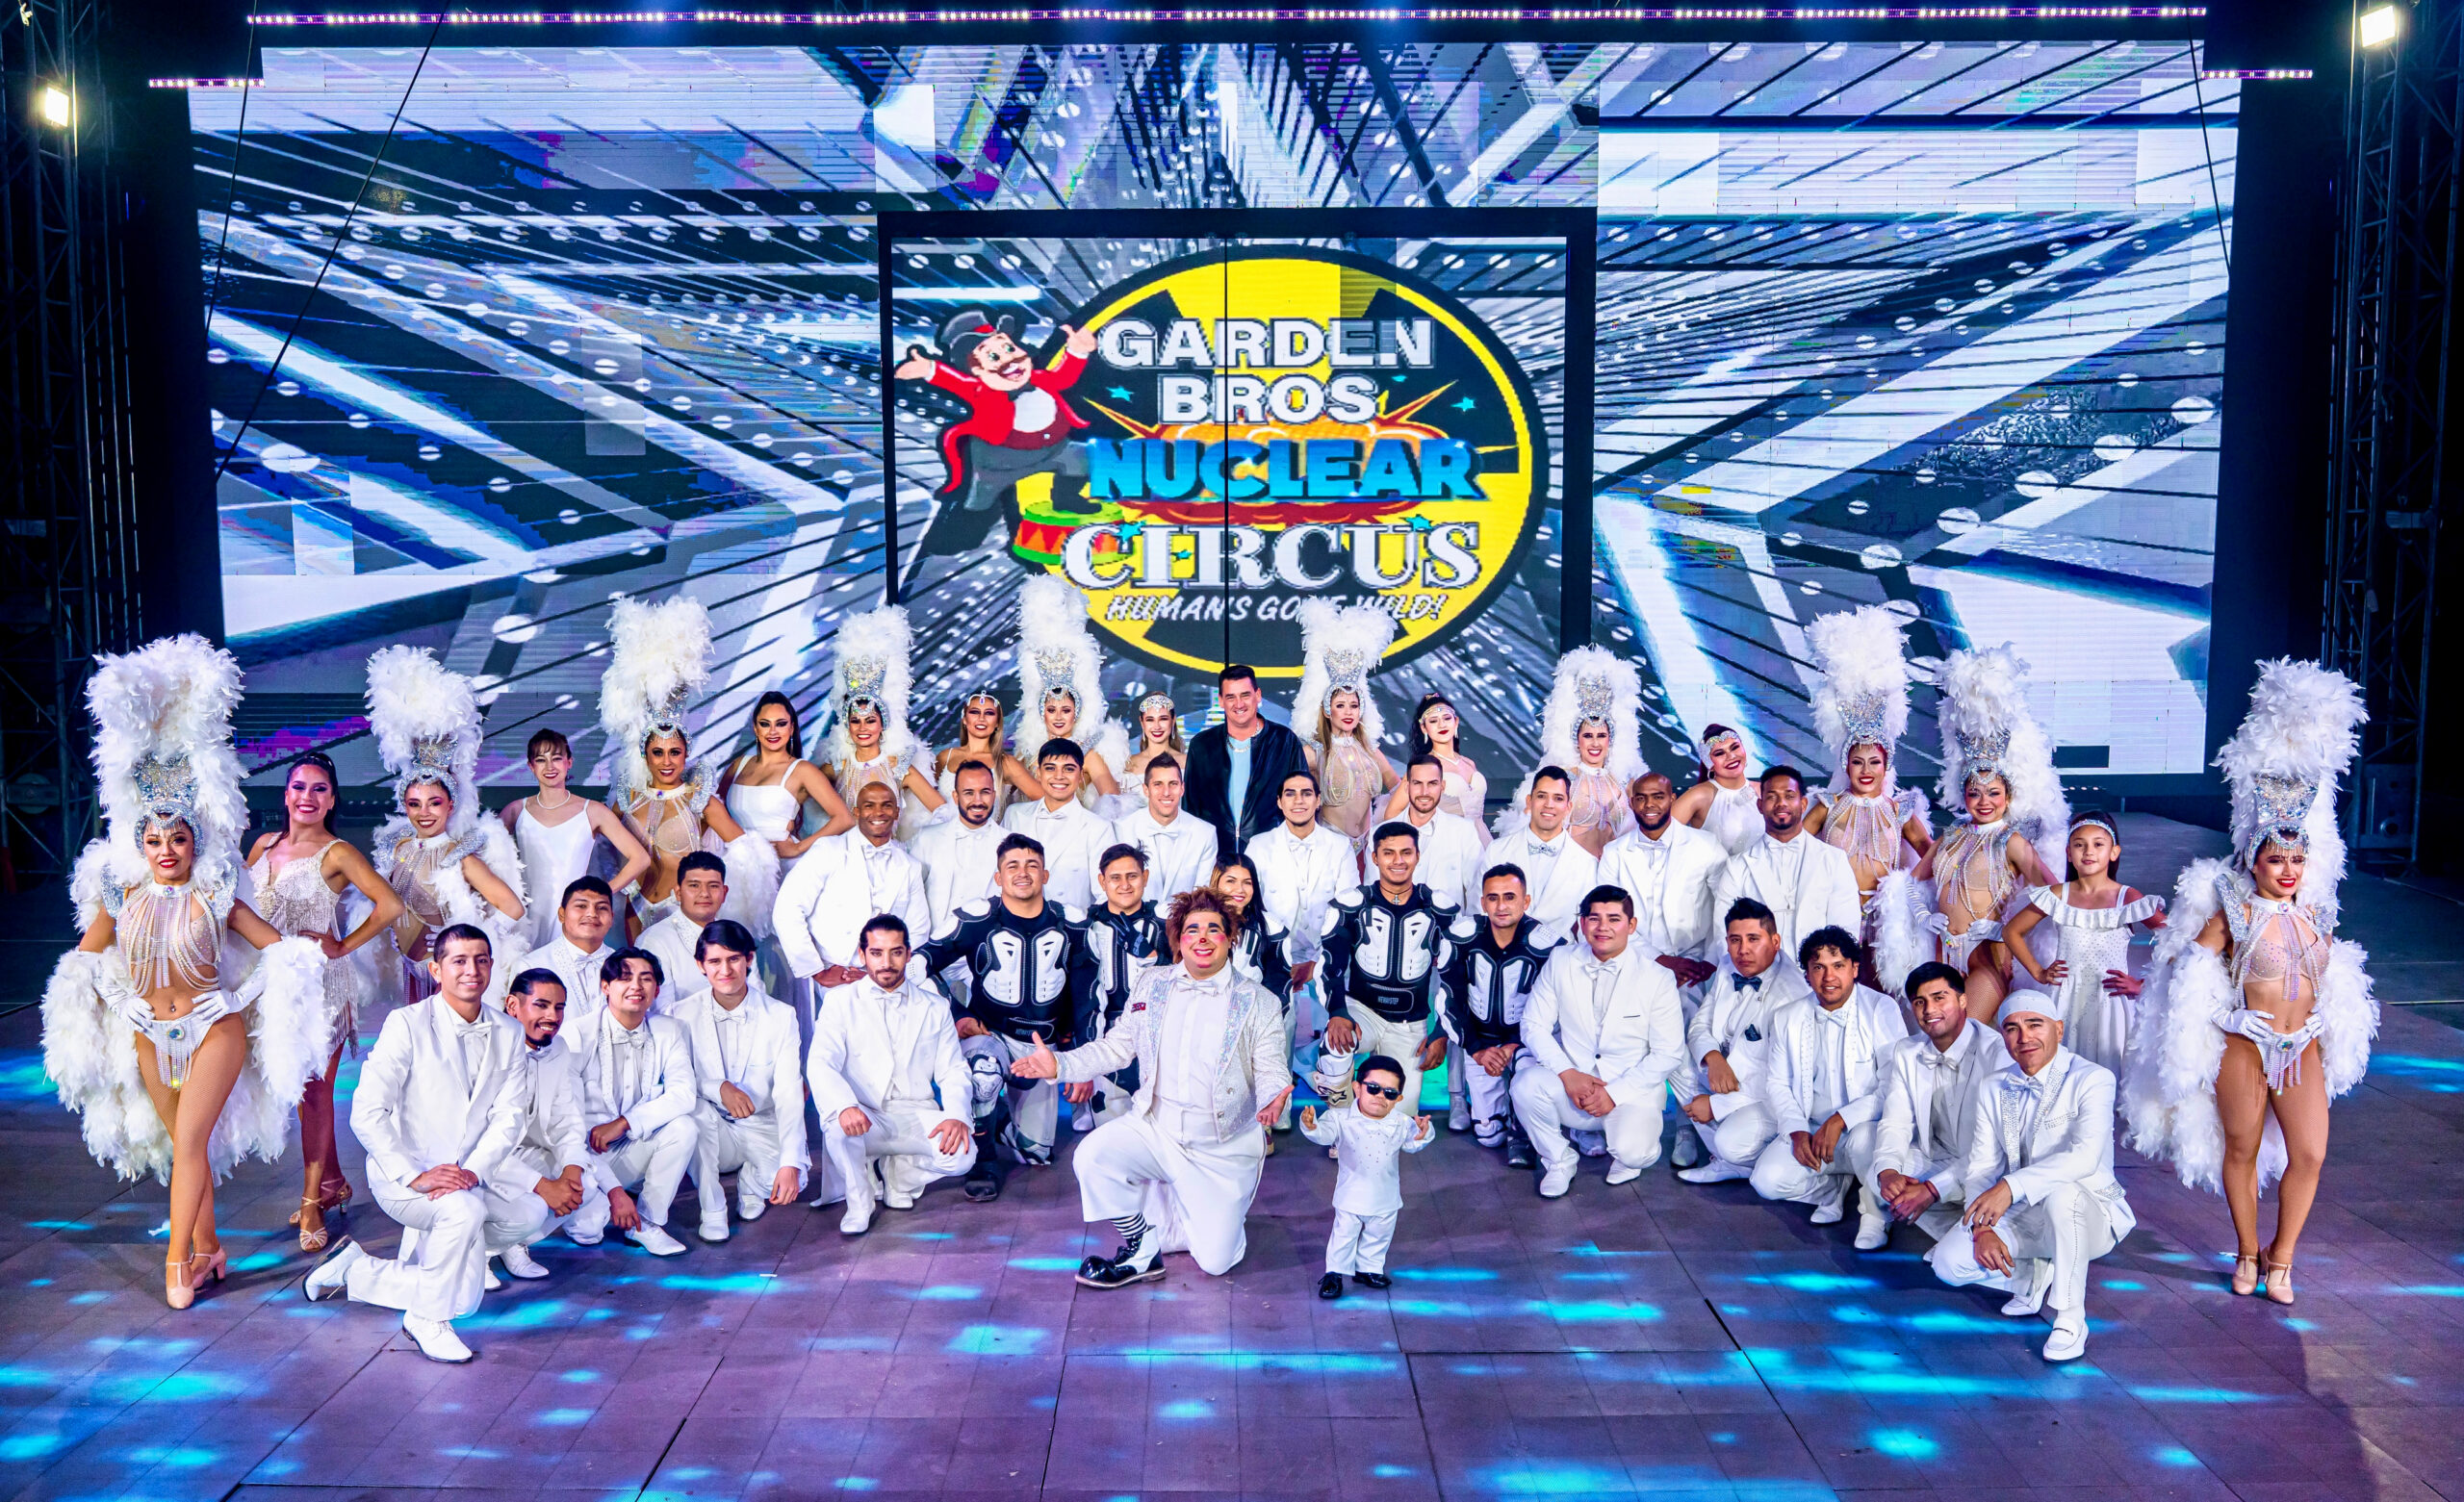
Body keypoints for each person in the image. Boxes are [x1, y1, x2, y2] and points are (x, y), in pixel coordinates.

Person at [44, 635, 332, 1310]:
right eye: (154, 840)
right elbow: (84, 961)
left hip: (211, 1028)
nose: (166, 850)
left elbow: (282, 952)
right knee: (183, 1146)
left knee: (194, 1138)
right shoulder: (120, 896)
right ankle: (209, 1248)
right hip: (150, 1031)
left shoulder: (216, 894)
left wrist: (233, 997)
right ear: (140, 845)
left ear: (194, 841)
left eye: (177, 838)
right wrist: (123, 1000)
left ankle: (177, 1261)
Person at [2124, 660, 2374, 1308]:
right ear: (2253, 859)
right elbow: (2184, 974)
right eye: (2275, 858)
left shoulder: (2317, 914)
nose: (2287, 869)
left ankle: (2281, 1257)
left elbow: (2331, 979)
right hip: (2246, 1045)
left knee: (2310, 1153)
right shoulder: (2231, 910)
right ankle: (2244, 1248)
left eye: (2296, 858)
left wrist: (2321, 1021)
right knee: (2240, 1145)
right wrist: (2229, 1018)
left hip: (2301, 1046)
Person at [1007, 889, 1293, 1285]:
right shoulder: (1152, 983)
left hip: (1220, 1146)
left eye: (1214, 929)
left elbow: (1272, 1066)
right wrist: (1061, 1064)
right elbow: (1117, 1046)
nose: (1203, 938)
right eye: (1192, 930)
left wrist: (1273, 1096)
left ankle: (1207, 1210)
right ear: (1179, 940)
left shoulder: (1259, 1000)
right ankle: (1141, 1247)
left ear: (1230, 938)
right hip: (1156, 1129)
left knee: (1215, 1261)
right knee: (1091, 1156)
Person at [305, 925, 540, 1364]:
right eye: (459, 961)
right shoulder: (406, 1024)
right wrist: (414, 1174)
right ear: (436, 970)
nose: (472, 970)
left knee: (522, 1223)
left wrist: (474, 1171)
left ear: (491, 966)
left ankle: (355, 1269)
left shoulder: (508, 1031)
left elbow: (510, 1117)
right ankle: (426, 1318)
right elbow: (367, 1112)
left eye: (481, 960)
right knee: (463, 1217)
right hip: (406, 1178)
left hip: (467, 1176)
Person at [245, 750, 403, 1253]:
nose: (307, 797)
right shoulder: (264, 845)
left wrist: (341, 946)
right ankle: (333, 1181)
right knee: (300, 1094)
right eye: (299, 787)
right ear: (285, 794)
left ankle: (312, 1199)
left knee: (316, 1093)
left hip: (320, 990)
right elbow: (239, 906)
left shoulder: (336, 853)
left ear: (332, 799)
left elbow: (390, 905)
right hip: (271, 986)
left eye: (319, 789)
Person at [1930, 990, 2136, 1362]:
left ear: (2058, 1029)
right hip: (2024, 1212)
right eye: (2012, 1028)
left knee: (2063, 1196)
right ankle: (2033, 1278)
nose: (2024, 1037)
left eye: (2035, 1025)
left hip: (2089, 1212)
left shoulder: (2093, 1078)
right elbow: (1981, 1167)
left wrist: (2011, 1186)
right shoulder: (1994, 1086)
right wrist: (1983, 1229)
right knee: (1948, 1263)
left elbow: (2085, 1157)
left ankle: (2070, 1318)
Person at [1881, 645, 2066, 1020]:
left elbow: (2053, 892)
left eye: (1993, 793)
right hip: (1942, 953)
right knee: (1943, 1034)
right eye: (1975, 792)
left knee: (1969, 1029)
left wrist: (2006, 928)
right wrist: (1923, 915)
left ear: (2007, 796)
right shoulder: (1952, 836)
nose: (1984, 801)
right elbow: (1913, 882)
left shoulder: (2012, 840)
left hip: (1988, 955)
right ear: (1963, 794)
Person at [916, 834, 1098, 1198]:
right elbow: (919, 963)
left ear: (1045, 875)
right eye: (1012, 866)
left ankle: (991, 1119)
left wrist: (1083, 1062)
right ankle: (983, 1161)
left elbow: (1086, 997)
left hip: (1042, 1046)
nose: (1022, 873)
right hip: (991, 1036)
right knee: (983, 1074)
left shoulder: (1072, 923)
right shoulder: (976, 919)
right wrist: (958, 1013)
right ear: (998, 877)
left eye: (1032, 865)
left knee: (1035, 1153)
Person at [598, 596, 779, 941]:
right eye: (658, 752)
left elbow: (745, 854)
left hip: (682, 913)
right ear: (646, 755)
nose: (666, 761)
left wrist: (729, 906)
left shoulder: (699, 801)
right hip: (636, 910)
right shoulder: (629, 798)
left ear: (686, 754)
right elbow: (600, 850)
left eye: (675, 752)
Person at [366, 647, 529, 999]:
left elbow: (513, 908)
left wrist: (469, 944)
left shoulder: (460, 854)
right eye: (415, 804)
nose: (424, 812)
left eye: (434, 803)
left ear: (450, 804)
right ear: (404, 805)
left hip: (448, 979)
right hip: (406, 974)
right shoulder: (393, 848)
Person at [808, 915, 979, 1235]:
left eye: (896, 952)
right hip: (865, 1114)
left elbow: (953, 1069)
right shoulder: (839, 1002)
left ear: (909, 954)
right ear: (862, 955)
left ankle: (899, 1177)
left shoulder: (935, 1006)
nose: (886, 963)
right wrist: (844, 1106)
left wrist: (957, 1115)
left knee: (962, 1154)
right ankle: (860, 1202)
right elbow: (820, 1062)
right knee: (837, 1129)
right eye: (876, 953)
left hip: (915, 1114)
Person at [1513, 885, 1685, 1197]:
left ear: (1631, 925)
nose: (1602, 927)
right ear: (1582, 923)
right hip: (1574, 1087)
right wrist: (1568, 1073)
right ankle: (1559, 1161)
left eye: (1614, 919)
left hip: (1630, 1091)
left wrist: (1615, 1094)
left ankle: (1627, 1156)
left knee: (1635, 1152)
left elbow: (1669, 1053)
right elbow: (1533, 1025)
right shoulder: (1561, 960)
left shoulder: (1657, 977)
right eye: (1594, 918)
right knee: (1525, 1085)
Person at [1748, 926, 1910, 1249]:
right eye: (1818, 967)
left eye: (1838, 965)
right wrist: (1796, 1130)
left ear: (1855, 968)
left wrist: (1840, 1120)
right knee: (1765, 1180)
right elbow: (1777, 1083)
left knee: (1866, 1142)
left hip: (1863, 1126)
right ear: (1807, 974)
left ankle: (1875, 1216)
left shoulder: (1881, 1008)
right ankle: (1830, 1190)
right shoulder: (1787, 1017)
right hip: (1811, 1129)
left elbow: (1895, 1085)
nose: (1828, 977)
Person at [1798, 606, 1932, 945]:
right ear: (1846, 765)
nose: (1866, 770)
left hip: (1886, 920)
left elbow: (1933, 856)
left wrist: (1903, 889)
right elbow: (1793, 849)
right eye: (1858, 762)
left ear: (1886, 766)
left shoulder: (1900, 810)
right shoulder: (1828, 805)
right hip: (1834, 915)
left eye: (1875, 762)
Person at [671, 920, 806, 1243]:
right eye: (715, 961)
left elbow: (789, 1093)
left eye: (733, 959)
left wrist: (790, 1162)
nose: (725, 970)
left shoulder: (781, 1015)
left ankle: (752, 1183)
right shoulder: (680, 1014)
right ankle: (712, 1208)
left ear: (749, 959)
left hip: (762, 1123)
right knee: (693, 1114)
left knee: (792, 1180)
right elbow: (674, 1080)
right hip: (713, 1124)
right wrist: (717, 1087)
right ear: (701, 966)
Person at [562, 949, 700, 1256]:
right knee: (588, 1230)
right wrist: (614, 1192)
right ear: (605, 986)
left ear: (657, 990)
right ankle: (608, 1201)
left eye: (645, 979)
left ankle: (647, 1223)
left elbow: (683, 1094)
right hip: (583, 1156)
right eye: (625, 978)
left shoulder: (669, 1030)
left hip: (631, 1142)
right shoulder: (576, 1034)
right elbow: (566, 1127)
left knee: (684, 1127)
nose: (636, 986)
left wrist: (624, 1123)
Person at [1318, 823, 1460, 1117]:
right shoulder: (1352, 904)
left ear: (1418, 855)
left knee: (1399, 1120)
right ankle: (1340, 1120)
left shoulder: (1440, 909)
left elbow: (1457, 977)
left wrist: (1441, 1031)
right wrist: (1338, 1013)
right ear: (1375, 857)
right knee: (1335, 1046)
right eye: (1389, 853)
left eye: (1406, 852)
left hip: (1410, 1024)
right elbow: (1329, 965)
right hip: (1362, 1013)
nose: (1398, 861)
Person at [2005, 812, 2163, 1074]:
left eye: (2098, 844)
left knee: (2110, 1072)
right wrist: (2039, 972)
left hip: (2109, 1002)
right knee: (2062, 1072)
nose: (2088, 851)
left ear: (2114, 852)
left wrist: (2143, 984)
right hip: (2065, 1000)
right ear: (2069, 853)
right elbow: (2012, 931)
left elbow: (2178, 939)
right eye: (2079, 845)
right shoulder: (2058, 895)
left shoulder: (2127, 897)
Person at [1675, 898, 1813, 1185]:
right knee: (1674, 1059)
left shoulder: (1791, 995)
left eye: (1753, 939)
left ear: (1775, 942)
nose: (1743, 950)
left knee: (1730, 1142)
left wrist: (1716, 1105)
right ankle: (1729, 1162)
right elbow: (1700, 1025)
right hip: (1727, 1072)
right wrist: (1713, 1057)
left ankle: (1741, 1158)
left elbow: (1780, 1078)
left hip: (1770, 1094)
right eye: (1735, 940)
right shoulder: (1729, 965)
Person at [1867, 961, 2000, 1241]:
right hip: (1939, 1156)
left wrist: (1932, 1189)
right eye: (1920, 1002)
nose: (1929, 1010)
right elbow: (1896, 1121)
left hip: (1989, 1166)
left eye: (1939, 998)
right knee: (1877, 1176)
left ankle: (1968, 1234)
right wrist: (1889, 1171)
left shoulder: (1996, 1052)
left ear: (1963, 1000)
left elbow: (1995, 1149)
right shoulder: (1907, 1051)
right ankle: (1951, 1232)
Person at [1439, 867, 1562, 1164]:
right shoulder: (1462, 937)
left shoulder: (1549, 945)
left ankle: (1525, 1124)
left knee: (1529, 1078)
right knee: (1489, 1134)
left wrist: (1515, 1044)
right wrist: (1477, 1049)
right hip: (1481, 1042)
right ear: (1483, 902)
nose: (1501, 906)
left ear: (1525, 901)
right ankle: (1501, 1112)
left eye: (1510, 897)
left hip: (1527, 1042)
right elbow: (1448, 1001)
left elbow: (1558, 1009)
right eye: (1493, 898)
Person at [1300, 1055, 1434, 1299]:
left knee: (1379, 1235)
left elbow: (1413, 1143)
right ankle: (1334, 1273)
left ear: (1398, 1099)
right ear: (1357, 1087)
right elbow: (1324, 1133)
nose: (1380, 1096)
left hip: (1385, 1195)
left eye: (1390, 1093)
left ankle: (1368, 1268)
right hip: (1351, 1195)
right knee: (1344, 1236)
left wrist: (1423, 1133)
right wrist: (1312, 1126)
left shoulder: (1401, 1123)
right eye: (1373, 1088)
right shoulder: (1340, 1118)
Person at [504, 727, 653, 948]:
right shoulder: (516, 810)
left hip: (574, 919)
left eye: (557, 758)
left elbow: (641, 858)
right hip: (526, 920)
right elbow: (490, 861)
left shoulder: (592, 811)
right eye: (541, 760)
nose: (550, 767)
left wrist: (601, 893)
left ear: (569, 762)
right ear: (531, 766)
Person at [776, 781, 931, 990]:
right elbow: (787, 908)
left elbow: (918, 931)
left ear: (896, 812)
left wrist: (881, 974)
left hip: (884, 978)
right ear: (856, 812)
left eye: (886, 805)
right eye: (869, 805)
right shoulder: (828, 850)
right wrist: (816, 971)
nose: (878, 812)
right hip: (832, 973)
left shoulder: (910, 866)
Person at [490, 968, 592, 1283]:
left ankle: (511, 1243)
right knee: (534, 1206)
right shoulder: (488, 1049)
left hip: (522, 1154)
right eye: (542, 1005)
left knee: (585, 1184)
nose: (552, 1016)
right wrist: (542, 1185)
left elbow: (566, 1117)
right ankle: (475, 1253)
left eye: (559, 1007)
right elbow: (474, 1143)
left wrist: (572, 1169)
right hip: (477, 1164)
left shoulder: (558, 1048)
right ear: (513, 1006)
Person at [1499, 648, 1644, 858]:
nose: (1595, 743)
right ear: (1577, 740)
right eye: (1588, 736)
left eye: (1601, 735)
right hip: (1573, 871)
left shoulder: (1624, 781)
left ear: (1610, 739)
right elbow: (1528, 826)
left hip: (1615, 872)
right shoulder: (1563, 778)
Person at [820, 605, 948, 838]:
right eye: (856, 721)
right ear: (848, 725)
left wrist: (928, 843)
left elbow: (942, 811)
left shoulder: (899, 767)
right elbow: (797, 796)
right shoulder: (838, 767)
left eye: (870, 720)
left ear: (882, 724)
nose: (862, 728)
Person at [1710, 766, 1861, 957]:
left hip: (1819, 971)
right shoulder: (1737, 866)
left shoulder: (1834, 860)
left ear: (1803, 804)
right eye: (1772, 797)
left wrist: (1821, 970)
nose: (1781, 803)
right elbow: (1723, 935)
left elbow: (1845, 929)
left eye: (1789, 796)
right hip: (1757, 973)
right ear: (1760, 805)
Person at [1598, 772, 1727, 984]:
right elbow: (1609, 915)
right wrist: (1658, 959)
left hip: (1698, 966)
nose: (1649, 804)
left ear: (1672, 799)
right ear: (1631, 803)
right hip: (1635, 962)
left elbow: (1726, 905)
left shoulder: (1706, 845)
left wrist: (1710, 961)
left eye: (1658, 797)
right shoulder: (1614, 853)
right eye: (1641, 798)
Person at [1011, 576, 1129, 803]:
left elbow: (1114, 803)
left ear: (1076, 713)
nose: (1058, 717)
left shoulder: (1089, 752)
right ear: (1042, 712)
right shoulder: (1026, 751)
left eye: (1065, 710)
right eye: (1051, 709)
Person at [1292, 600, 1400, 846]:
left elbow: (1398, 787)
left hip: (1369, 847)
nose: (1348, 712)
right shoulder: (1314, 752)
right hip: (1329, 845)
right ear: (1327, 711)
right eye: (1340, 705)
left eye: (1354, 705)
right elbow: (1287, 792)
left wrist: (1386, 820)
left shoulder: (1370, 750)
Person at [1185, 663, 1310, 861]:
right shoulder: (1202, 746)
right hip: (1215, 857)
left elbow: (1302, 802)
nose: (1239, 704)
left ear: (1257, 695)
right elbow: (1190, 809)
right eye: (1231, 697)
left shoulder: (1284, 741)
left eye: (1245, 695)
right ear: (1220, 701)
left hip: (1272, 856)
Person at [1246, 770, 1356, 994]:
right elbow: (1249, 909)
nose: (1298, 800)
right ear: (1279, 802)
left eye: (1306, 793)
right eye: (1290, 794)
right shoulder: (1259, 846)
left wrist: (1319, 962)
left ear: (1318, 800)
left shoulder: (1340, 846)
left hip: (1326, 963)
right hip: (1271, 964)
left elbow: (1348, 910)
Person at [1082, 844, 1168, 1131]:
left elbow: (1190, 976)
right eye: (1115, 878)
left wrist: (1154, 957)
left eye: (1132, 876)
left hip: (1159, 1039)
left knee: (1162, 1135)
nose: (1125, 885)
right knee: (1111, 1135)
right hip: (1106, 1039)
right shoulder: (1084, 924)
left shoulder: (1168, 922)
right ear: (1102, 881)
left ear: (1145, 877)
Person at [1482, 768, 1602, 934]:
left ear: (1568, 807)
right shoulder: (1496, 851)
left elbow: (1587, 929)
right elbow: (1480, 911)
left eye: (1558, 798)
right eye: (1541, 796)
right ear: (1529, 801)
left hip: (1561, 949)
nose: (1549, 805)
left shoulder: (1587, 864)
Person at [1001, 738, 1113, 909]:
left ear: (1080, 775)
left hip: (1073, 923)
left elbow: (1105, 894)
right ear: (1039, 773)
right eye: (1050, 768)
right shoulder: (1015, 815)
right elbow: (999, 876)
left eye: (1069, 769)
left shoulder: (1098, 828)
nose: (1059, 776)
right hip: (1016, 921)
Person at [1378, 692, 1490, 842]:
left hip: (1482, 838)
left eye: (1447, 718)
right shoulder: (1424, 766)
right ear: (1424, 728)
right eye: (1433, 721)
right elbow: (1391, 814)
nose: (1442, 725)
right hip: (1447, 842)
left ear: (1456, 722)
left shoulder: (1469, 763)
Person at [913, 758, 1007, 936]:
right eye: (969, 793)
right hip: (932, 944)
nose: (978, 800)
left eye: (985, 792)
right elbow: (911, 897)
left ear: (994, 795)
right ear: (956, 797)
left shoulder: (1010, 844)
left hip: (985, 946)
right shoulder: (927, 838)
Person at [1113, 753, 1219, 904]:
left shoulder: (1205, 833)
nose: (1166, 792)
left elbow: (1201, 894)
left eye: (1173, 784)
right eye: (1158, 784)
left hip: (1186, 918)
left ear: (1182, 788)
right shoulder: (1121, 829)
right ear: (1146, 789)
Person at [1392, 755, 1485, 913]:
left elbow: (1478, 889)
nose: (1424, 792)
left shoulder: (1464, 831)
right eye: (1417, 783)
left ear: (1442, 786)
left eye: (1432, 783)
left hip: (1449, 926)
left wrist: (1469, 927)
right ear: (1407, 787)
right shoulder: (1379, 833)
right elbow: (1373, 894)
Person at [1211, 855, 1295, 1020]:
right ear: (1216, 882)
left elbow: (1279, 986)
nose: (1240, 889)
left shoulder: (1272, 929)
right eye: (1231, 881)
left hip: (1253, 1020)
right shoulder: (1194, 922)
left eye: (1247, 883)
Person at [637, 852, 728, 1001]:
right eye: (694, 885)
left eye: (713, 886)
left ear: (724, 892)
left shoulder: (736, 935)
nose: (704, 893)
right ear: (678, 893)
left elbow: (755, 995)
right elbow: (660, 1009)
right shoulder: (655, 940)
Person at [530, 878, 620, 1023]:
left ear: (611, 918)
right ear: (562, 914)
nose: (592, 914)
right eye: (581, 906)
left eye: (602, 908)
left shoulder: (625, 966)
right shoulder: (532, 965)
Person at [935, 690, 1028, 823]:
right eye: (974, 712)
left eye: (989, 713)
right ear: (964, 719)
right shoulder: (945, 757)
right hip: (944, 834)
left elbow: (1045, 801)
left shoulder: (1006, 763)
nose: (981, 718)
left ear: (997, 722)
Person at [1673, 725, 1763, 855]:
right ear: (1708, 763)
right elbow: (1661, 837)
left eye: (1735, 747)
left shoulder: (1764, 790)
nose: (1731, 756)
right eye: (1719, 753)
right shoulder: (1700, 795)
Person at [1119, 692, 1189, 812]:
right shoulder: (1128, 765)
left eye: (1163, 719)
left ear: (1173, 720)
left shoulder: (1188, 762)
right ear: (1142, 722)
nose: (1157, 726)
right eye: (1150, 720)